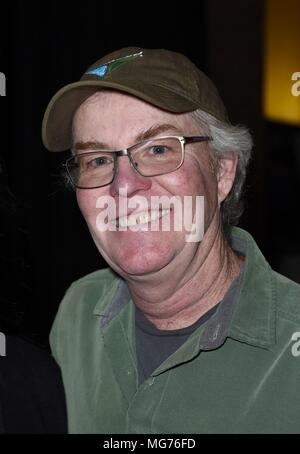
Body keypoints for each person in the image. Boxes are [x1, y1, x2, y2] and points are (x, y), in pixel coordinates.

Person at [42, 47, 300, 434]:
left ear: (222, 173)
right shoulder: (78, 314)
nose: (124, 186)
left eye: (159, 149)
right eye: (97, 159)